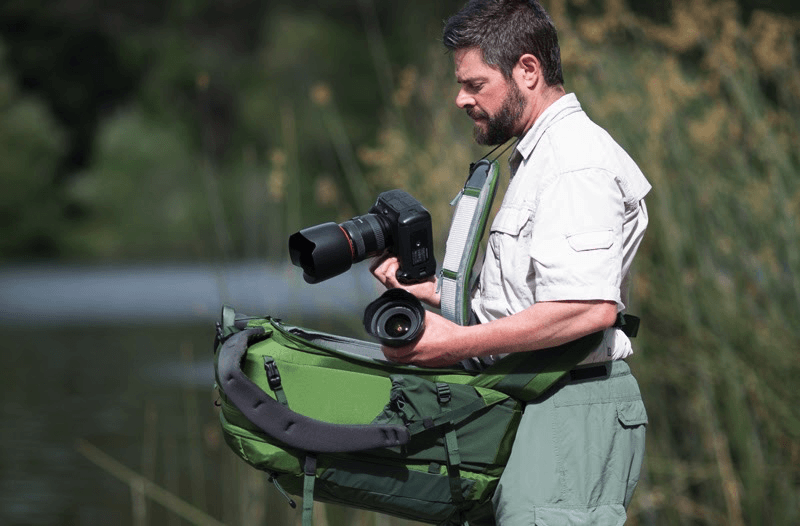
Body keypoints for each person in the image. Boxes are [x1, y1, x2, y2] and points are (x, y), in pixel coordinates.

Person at [370, 0, 650, 524]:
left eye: (474, 84)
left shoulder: (573, 162)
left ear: (527, 70)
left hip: (569, 409)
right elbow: (533, 294)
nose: (460, 99)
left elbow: (587, 308)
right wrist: (433, 293)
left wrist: (452, 343)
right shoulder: (539, 156)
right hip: (534, 400)